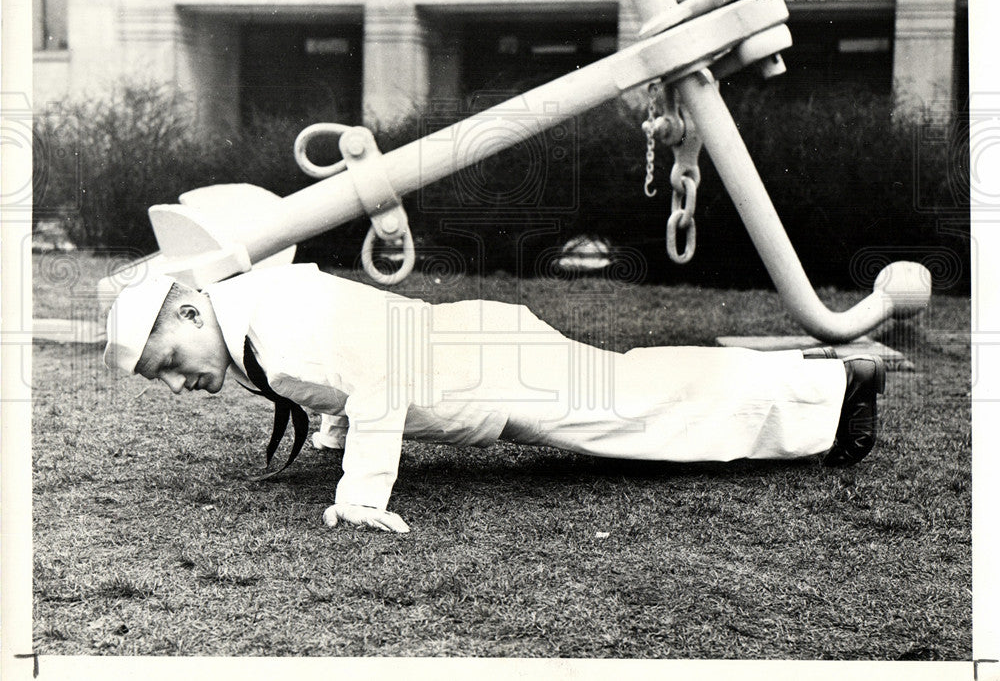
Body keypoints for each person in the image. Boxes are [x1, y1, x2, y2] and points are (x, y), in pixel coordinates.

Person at [104, 263, 885, 534]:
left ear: (188, 311)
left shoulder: (269, 326)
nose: (178, 385)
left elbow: (375, 381)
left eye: (170, 361)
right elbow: (344, 364)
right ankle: (821, 378)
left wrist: (362, 495)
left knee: (644, 411)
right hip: (482, 355)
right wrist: (332, 436)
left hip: (493, 369)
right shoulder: (248, 313)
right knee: (640, 393)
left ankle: (834, 389)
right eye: (161, 379)